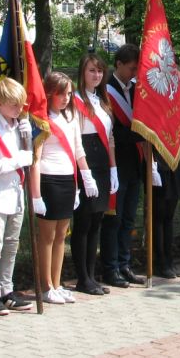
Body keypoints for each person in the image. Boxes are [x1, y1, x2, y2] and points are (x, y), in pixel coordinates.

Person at [30, 72, 98, 304]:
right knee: (47, 236)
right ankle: (45, 285)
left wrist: (86, 175)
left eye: (69, 93)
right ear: (50, 93)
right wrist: (36, 194)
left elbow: (78, 149)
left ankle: (57, 284)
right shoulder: (41, 119)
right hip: (49, 180)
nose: (66, 98)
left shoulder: (71, 117)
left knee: (61, 235)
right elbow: (36, 158)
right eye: (61, 94)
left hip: (69, 179)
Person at [0, 77, 34, 313]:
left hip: (16, 194)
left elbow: (28, 158)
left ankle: (6, 288)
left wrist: (28, 141)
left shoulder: (18, 127)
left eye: (21, 104)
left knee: (11, 245)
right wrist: (17, 160)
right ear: (0, 103)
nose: (19, 109)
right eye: (14, 104)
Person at [71, 54, 118, 295]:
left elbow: (110, 138)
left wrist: (113, 168)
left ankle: (91, 275)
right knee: (83, 222)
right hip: (84, 162)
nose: (96, 75)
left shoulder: (102, 101)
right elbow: (75, 139)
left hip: (102, 162)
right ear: (82, 72)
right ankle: (82, 278)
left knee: (96, 222)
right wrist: (85, 172)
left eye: (100, 71)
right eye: (91, 70)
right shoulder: (75, 100)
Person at [100, 45, 144, 288]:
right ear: (118, 64)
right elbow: (112, 131)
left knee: (128, 219)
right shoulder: (106, 90)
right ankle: (110, 267)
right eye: (131, 68)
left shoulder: (137, 89)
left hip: (135, 162)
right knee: (113, 219)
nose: (134, 73)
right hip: (115, 164)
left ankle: (124, 264)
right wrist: (141, 135)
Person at [151, 145, 180, 278]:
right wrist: (151, 165)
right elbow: (147, 141)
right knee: (158, 217)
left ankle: (169, 260)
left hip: (177, 164)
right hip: (159, 164)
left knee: (169, 217)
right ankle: (160, 262)